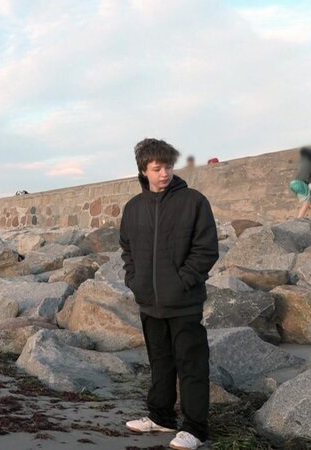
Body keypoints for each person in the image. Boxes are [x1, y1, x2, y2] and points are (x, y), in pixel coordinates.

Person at [119, 138, 219, 450]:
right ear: (143, 171)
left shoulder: (193, 201)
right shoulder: (134, 208)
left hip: (184, 302)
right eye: (157, 168)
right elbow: (127, 249)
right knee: (159, 362)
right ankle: (161, 417)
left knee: (191, 365)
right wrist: (134, 280)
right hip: (149, 302)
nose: (164, 173)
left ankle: (195, 429)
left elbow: (206, 249)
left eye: (168, 167)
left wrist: (183, 280)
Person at [289, 146, 311, 218]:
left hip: (294, 183)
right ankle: (299, 218)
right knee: (306, 203)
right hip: (301, 183)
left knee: (307, 202)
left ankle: (300, 217)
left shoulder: (306, 163)